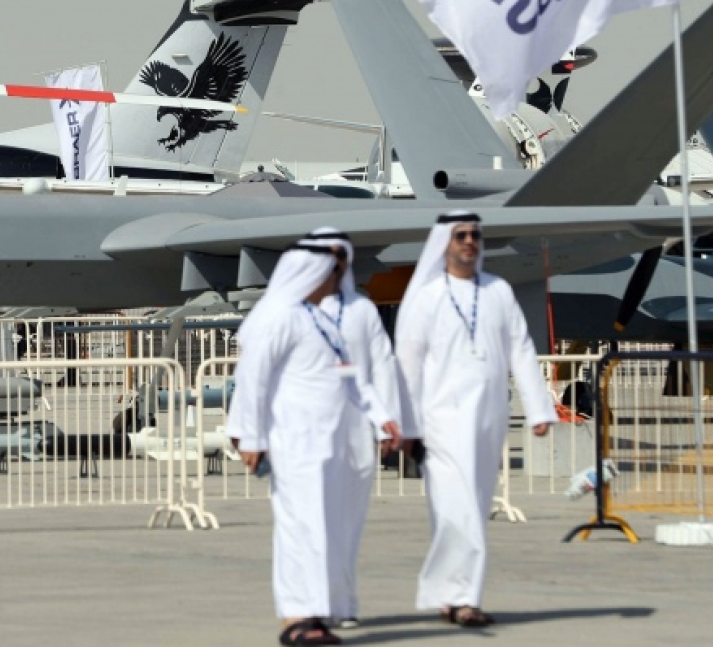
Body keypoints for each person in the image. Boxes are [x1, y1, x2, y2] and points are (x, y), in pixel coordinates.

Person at [226, 230, 401, 647]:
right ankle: (296, 618)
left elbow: (351, 376)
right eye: (330, 269)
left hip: (331, 442)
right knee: (299, 528)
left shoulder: (319, 320)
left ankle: (316, 613)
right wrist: (249, 436)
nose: (337, 276)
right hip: (294, 441)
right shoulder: (278, 316)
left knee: (323, 527)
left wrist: (382, 417)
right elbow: (252, 378)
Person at [394, 211, 556, 628]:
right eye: (461, 235)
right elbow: (408, 365)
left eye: (475, 236)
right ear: (444, 243)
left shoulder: (498, 290)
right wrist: (405, 426)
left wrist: (539, 409)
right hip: (441, 420)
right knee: (459, 504)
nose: (469, 242)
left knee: (471, 505)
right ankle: (464, 599)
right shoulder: (428, 296)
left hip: (488, 417)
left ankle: (449, 595)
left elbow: (521, 349)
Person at [312, 228, 404, 630]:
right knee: (316, 521)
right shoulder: (297, 308)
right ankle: (313, 603)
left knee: (349, 523)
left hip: (356, 433)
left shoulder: (363, 310)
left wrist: (387, 423)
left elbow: (380, 366)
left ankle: (343, 604)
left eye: (339, 256)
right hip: (310, 432)